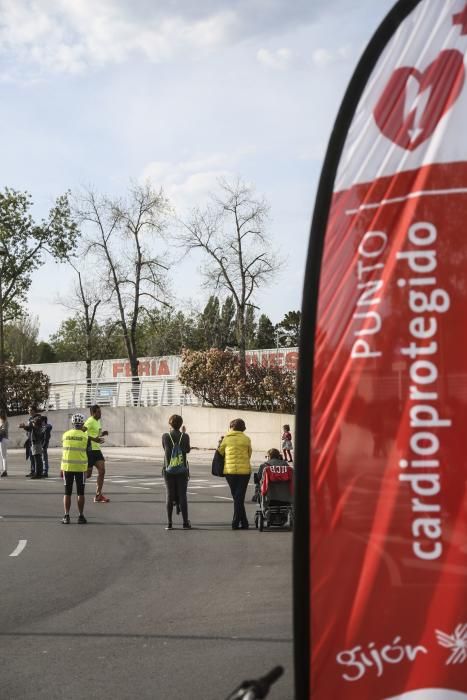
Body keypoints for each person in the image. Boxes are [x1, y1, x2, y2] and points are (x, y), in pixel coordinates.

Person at [218, 418, 252, 530]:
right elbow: (249, 454)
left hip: (230, 471)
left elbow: (220, 452)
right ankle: (244, 522)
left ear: (231, 427)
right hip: (244, 472)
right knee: (239, 497)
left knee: (237, 497)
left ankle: (236, 522)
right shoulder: (247, 439)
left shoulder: (226, 439)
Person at [162, 414, 191, 530]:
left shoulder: (165, 436)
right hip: (182, 469)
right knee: (182, 495)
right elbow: (187, 450)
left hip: (168, 469)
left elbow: (165, 449)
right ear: (181, 424)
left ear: (170, 424)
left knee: (169, 495)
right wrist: (183, 434)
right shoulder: (185, 436)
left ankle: (169, 523)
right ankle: (185, 522)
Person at [61, 413, 89, 524]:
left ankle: (66, 516)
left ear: (72, 423)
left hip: (67, 467)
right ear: (82, 423)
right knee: (80, 493)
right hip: (81, 468)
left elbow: (65, 452)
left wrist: (61, 468)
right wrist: (89, 468)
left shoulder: (65, 435)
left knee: (67, 493)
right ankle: (81, 516)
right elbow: (89, 452)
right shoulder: (85, 436)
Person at [85, 405, 110, 503]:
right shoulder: (89, 421)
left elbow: (95, 434)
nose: (101, 413)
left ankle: (98, 495)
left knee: (102, 471)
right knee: (88, 475)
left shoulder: (97, 421)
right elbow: (83, 433)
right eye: (99, 412)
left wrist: (102, 434)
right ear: (93, 413)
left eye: (100, 411)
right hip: (90, 450)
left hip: (97, 450)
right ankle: (73, 475)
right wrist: (94, 439)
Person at [19, 404, 42, 477]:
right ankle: (33, 471)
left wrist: (25, 426)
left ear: (34, 410)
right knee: (32, 457)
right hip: (30, 440)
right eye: (28, 410)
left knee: (37, 457)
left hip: (36, 440)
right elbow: (30, 428)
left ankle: (38, 473)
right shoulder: (30, 419)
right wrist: (24, 427)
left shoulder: (38, 418)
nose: (29, 411)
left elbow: (34, 427)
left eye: (31, 410)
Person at [0, 409, 9, 477]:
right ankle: (3, 470)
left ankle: (5, 471)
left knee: (3, 456)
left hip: (3, 439)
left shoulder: (5, 422)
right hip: (1, 439)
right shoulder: (0, 421)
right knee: (2, 456)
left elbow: (3, 431)